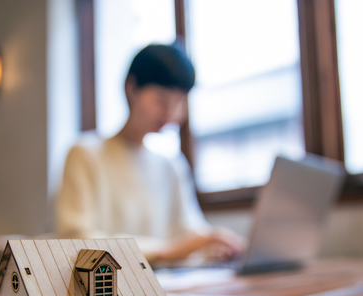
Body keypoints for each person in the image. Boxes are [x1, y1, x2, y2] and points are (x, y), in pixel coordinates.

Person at [56, 43, 245, 264]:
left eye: (179, 102)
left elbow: (190, 231)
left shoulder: (172, 165)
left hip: (174, 288)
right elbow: (77, 239)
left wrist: (214, 246)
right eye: (161, 100)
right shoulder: (86, 153)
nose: (170, 112)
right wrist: (165, 251)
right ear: (131, 87)